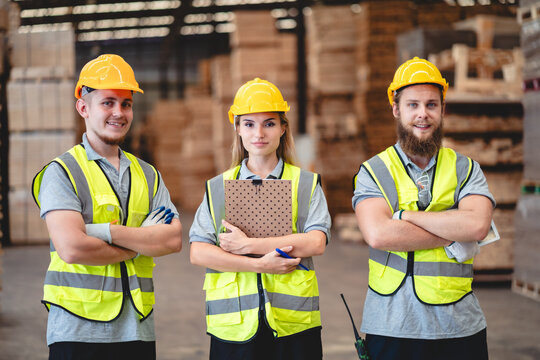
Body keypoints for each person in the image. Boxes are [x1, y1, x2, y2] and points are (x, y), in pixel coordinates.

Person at [32, 54, 182, 360]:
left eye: (126, 104)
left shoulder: (148, 175)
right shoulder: (62, 172)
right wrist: (140, 242)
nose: (119, 112)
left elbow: (172, 240)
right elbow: (72, 248)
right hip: (77, 330)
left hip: (138, 328)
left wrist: (103, 232)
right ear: (83, 107)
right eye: (108, 102)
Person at [352, 57, 495, 360]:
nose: (422, 114)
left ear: (443, 110)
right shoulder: (374, 171)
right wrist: (452, 229)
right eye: (412, 105)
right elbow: (378, 234)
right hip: (392, 326)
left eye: (431, 105)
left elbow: (477, 227)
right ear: (396, 109)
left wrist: (405, 217)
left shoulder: (466, 169)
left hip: (459, 326)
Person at [189, 78, 331, 360]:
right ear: (238, 129)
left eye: (269, 123)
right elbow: (198, 251)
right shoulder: (218, 188)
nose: (259, 133)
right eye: (249, 124)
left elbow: (315, 243)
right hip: (234, 327)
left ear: (282, 128)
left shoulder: (305, 183)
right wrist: (261, 264)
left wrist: (248, 245)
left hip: (293, 325)